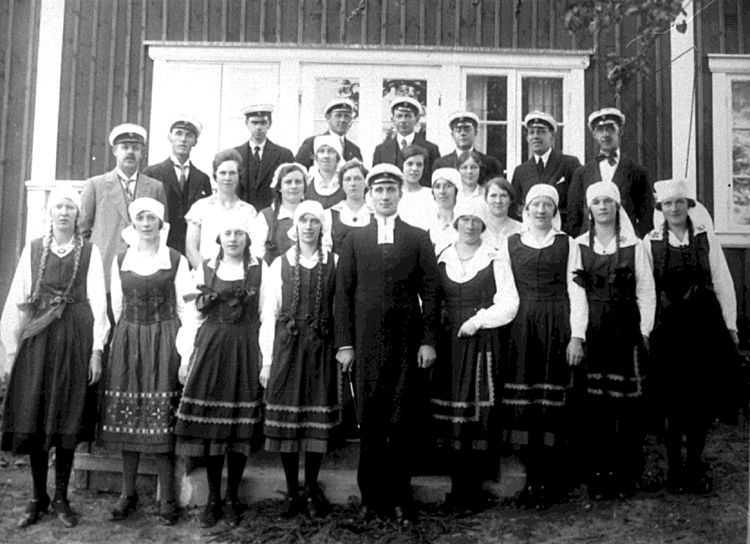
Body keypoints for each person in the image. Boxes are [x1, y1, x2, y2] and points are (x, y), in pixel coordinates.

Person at [335, 163, 442, 525]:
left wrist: (428, 341)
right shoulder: (354, 239)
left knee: (401, 422)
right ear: (369, 195)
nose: (384, 196)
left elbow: (431, 292)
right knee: (370, 422)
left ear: (399, 194)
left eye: (390, 190)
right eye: (378, 190)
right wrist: (345, 344)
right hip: (365, 344)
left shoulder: (417, 237)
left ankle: (399, 498)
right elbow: (342, 294)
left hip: (406, 343)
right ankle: (370, 498)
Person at [0, 186, 108, 529]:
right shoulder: (34, 249)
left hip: (75, 339)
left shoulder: (90, 252)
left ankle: (61, 497)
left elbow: (99, 303)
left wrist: (96, 351)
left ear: (78, 215)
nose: (64, 213)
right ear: (50, 212)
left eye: (70, 208)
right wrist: (11, 352)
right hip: (40, 340)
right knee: (37, 414)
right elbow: (17, 299)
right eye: (58, 207)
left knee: (66, 415)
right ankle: (38, 496)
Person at [643, 179, 742, 494]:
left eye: (679, 202)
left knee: (700, 399)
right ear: (661, 208)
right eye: (668, 204)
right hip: (668, 329)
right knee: (672, 401)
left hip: (703, 327)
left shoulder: (704, 238)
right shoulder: (650, 241)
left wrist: (730, 324)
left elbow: (722, 280)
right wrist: (646, 329)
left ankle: (694, 466)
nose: (674, 209)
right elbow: (645, 289)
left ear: (688, 206)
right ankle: (674, 468)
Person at [99, 198, 192, 526]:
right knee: (130, 417)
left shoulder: (176, 260)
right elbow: (117, 305)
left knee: (161, 417)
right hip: (129, 341)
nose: (146, 223)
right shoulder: (121, 260)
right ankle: (128, 493)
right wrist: (122, 341)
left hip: (164, 340)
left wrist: (184, 350)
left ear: (161, 223)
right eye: (141, 217)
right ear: (134, 224)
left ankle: (168, 497)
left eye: (152, 217)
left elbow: (185, 308)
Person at [175, 212, 267, 528]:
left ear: (247, 238)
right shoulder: (204, 268)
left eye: (239, 233)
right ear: (218, 238)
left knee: (239, 426)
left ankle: (232, 497)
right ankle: (213, 498)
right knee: (213, 425)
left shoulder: (260, 269)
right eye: (227, 233)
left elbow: (267, 315)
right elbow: (191, 314)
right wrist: (186, 357)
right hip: (212, 348)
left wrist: (266, 357)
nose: (233, 239)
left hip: (245, 347)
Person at [429, 199, 519, 514]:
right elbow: (430, 299)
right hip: (448, 343)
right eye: (464, 219)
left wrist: (478, 320)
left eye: (475, 220)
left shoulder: (495, 257)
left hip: (481, 341)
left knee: (478, 414)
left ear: (483, 224)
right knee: (452, 414)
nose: (469, 226)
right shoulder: (443, 257)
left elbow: (509, 303)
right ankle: (456, 488)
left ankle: (474, 490)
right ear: (456, 223)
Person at [501, 184, 587, 510]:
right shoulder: (511, 243)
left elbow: (576, 291)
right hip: (521, 326)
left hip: (557, 324)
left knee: (551, 402)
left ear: (554, 210)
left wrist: (577, 335)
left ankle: (549, 480)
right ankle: (530, 479)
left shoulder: (568, 244)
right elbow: (505, 291)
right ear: (526, 209)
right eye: (535, 205)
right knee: (525, 401)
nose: (541, 211)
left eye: (547, 205)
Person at [573, 181, 655, 500]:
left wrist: (644, 330)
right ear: (590, 209)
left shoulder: (634, 246)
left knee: (627, 404)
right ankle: (598, 472)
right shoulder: (579, 245)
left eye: (608, 201)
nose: (603, 207)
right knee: (596, 405)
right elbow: (576, 296)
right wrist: (578, 334)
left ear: (617, 207)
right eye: (597, 202)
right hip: (594, 329)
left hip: (625, 328)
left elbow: (646, 290)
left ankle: (626, 472)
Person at [259, 200, 340, 519]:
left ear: (322, 226)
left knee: (315, 420)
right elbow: (269, 314)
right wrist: (267, 360)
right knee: (289, 420)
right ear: (295, 226)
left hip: (321, 347)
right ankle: (292, 491)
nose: (308, 226)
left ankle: (311, 487)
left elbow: (340, 309)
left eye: (314, 221)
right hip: (288, 347)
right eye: (303, 220)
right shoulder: (279, 264)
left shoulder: (334, 262)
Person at [79, 123, 168, 296]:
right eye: (124, 147)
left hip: (144, 270)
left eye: (135, 148)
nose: (130, 152)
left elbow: (162, 231)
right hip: (105, 269)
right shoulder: (96, 185)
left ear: (142, 153)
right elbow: (82, 231)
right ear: (115, 151)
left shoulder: (155, 187)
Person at [566, 108, 654, 238]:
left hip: (626, 241)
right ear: (594, 134)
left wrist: (635, 241)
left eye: (610, 129)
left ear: (620, 131)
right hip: (590, 242)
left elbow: (646, 218)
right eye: (600, 130)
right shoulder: (582, 173)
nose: (605, 134)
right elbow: (574, 217)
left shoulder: (638, 172)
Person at [143, 115, 212, 256]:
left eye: (189, 135)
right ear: (170, 137)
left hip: (192, 249)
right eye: (178, 133)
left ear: (195, 142)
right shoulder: (152, 173)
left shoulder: (202, 179)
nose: (183, 139)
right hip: (161, 247)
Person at [185, 149, 257, 269]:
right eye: (222, 173)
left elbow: (253, 249)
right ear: (215, 175)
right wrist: (207, 274)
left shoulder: (248, 211)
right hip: (205, 275)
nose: (227, 178)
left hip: (238, 275)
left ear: (239, 176)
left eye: (232, 173)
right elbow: (191, 249)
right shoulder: (200, 207)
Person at [510, 111, 581, 230]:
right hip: (531, 234)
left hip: (563, 232)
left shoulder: (569, 164)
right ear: (527, 138)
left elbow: (578, 205)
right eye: (531, 132)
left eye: (541, 132)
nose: (535, 137)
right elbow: (514, 209)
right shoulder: (521, 171)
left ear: (552, 136)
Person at [232, 104, 295, 210]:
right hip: (242, 213)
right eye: (254, 122)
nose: (258, 127)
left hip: (273, 213)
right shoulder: (235, 155)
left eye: (263, 123)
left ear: (269, 124)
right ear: (246, 124)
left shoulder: (284, 155)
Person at [372, 96, 440, 187]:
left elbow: (436, 182)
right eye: (399, 116)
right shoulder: (381, 150)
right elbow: (375, 181)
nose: (403, 120)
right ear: (393, 120)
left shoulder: (430, 149)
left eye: (408, 116)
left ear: (417, 119)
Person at [250, 163, 309, 265]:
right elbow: (257, 254)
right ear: (279, 187)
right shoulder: (265, 217)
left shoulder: (313, 214)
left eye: (298, 182)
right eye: (288, 182)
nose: (294, 186)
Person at [432, 111, 503, 185]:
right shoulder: (441, 165)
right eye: (458, 130)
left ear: (475, 133)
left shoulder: (491, 164)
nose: (463, 133)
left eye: (467, 130)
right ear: (452, 135)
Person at [296, 98, 363, 169]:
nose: (343, 120)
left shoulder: (355, 150)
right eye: (338, 115)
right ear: (328, 118)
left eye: (346, 116)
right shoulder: (312, 143)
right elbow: (298, 171)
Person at [328, 160, 372, 253]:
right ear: (342, 185)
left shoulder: (376, 214)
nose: (353, 184)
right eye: (348, 179)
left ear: (366, 183)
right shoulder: (330, 214)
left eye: (357, 179)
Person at [398, 145, 434, 230]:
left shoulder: (430, 195)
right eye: (410, 164)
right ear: (402, 165)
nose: (414, 168)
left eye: (419, 165)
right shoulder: (394, 194)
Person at [305, 135, 345, 209]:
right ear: (316, 156)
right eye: (321, 151)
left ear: (338, 156)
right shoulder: (307, 182)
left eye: (331, 151)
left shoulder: (346, 182)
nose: (326, 156)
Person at [482, 177, 523, 249]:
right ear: (486, 199)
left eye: (503, 196)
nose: (498, 201)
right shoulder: (477, 228)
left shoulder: (521, 230)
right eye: (493, 196)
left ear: (510, 199)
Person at [428, 168, 460, 255]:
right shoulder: (426, 222)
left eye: (448, 186)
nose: (442, 191)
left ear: (456, 190)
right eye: (437, 187)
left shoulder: (465, 220)